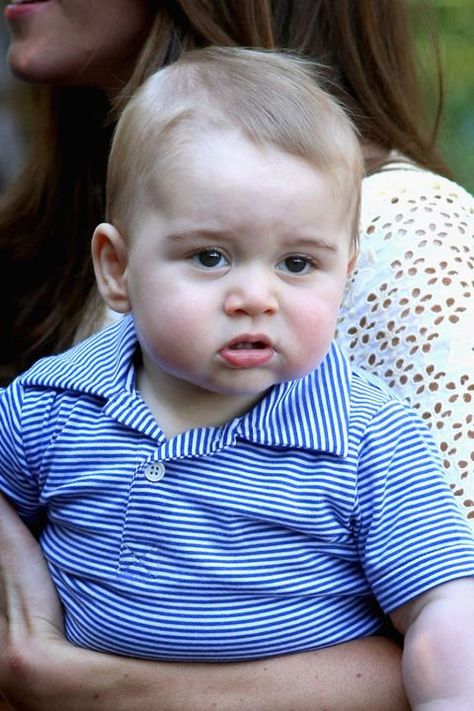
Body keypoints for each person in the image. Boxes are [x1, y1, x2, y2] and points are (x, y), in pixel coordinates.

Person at [0, 1, 472, 709]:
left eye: (297, 263)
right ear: (116, 269)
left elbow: (442, 605)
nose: (256, 296)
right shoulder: (57, 405)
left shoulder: (369, 438)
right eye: (211, 256)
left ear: (348, 272)